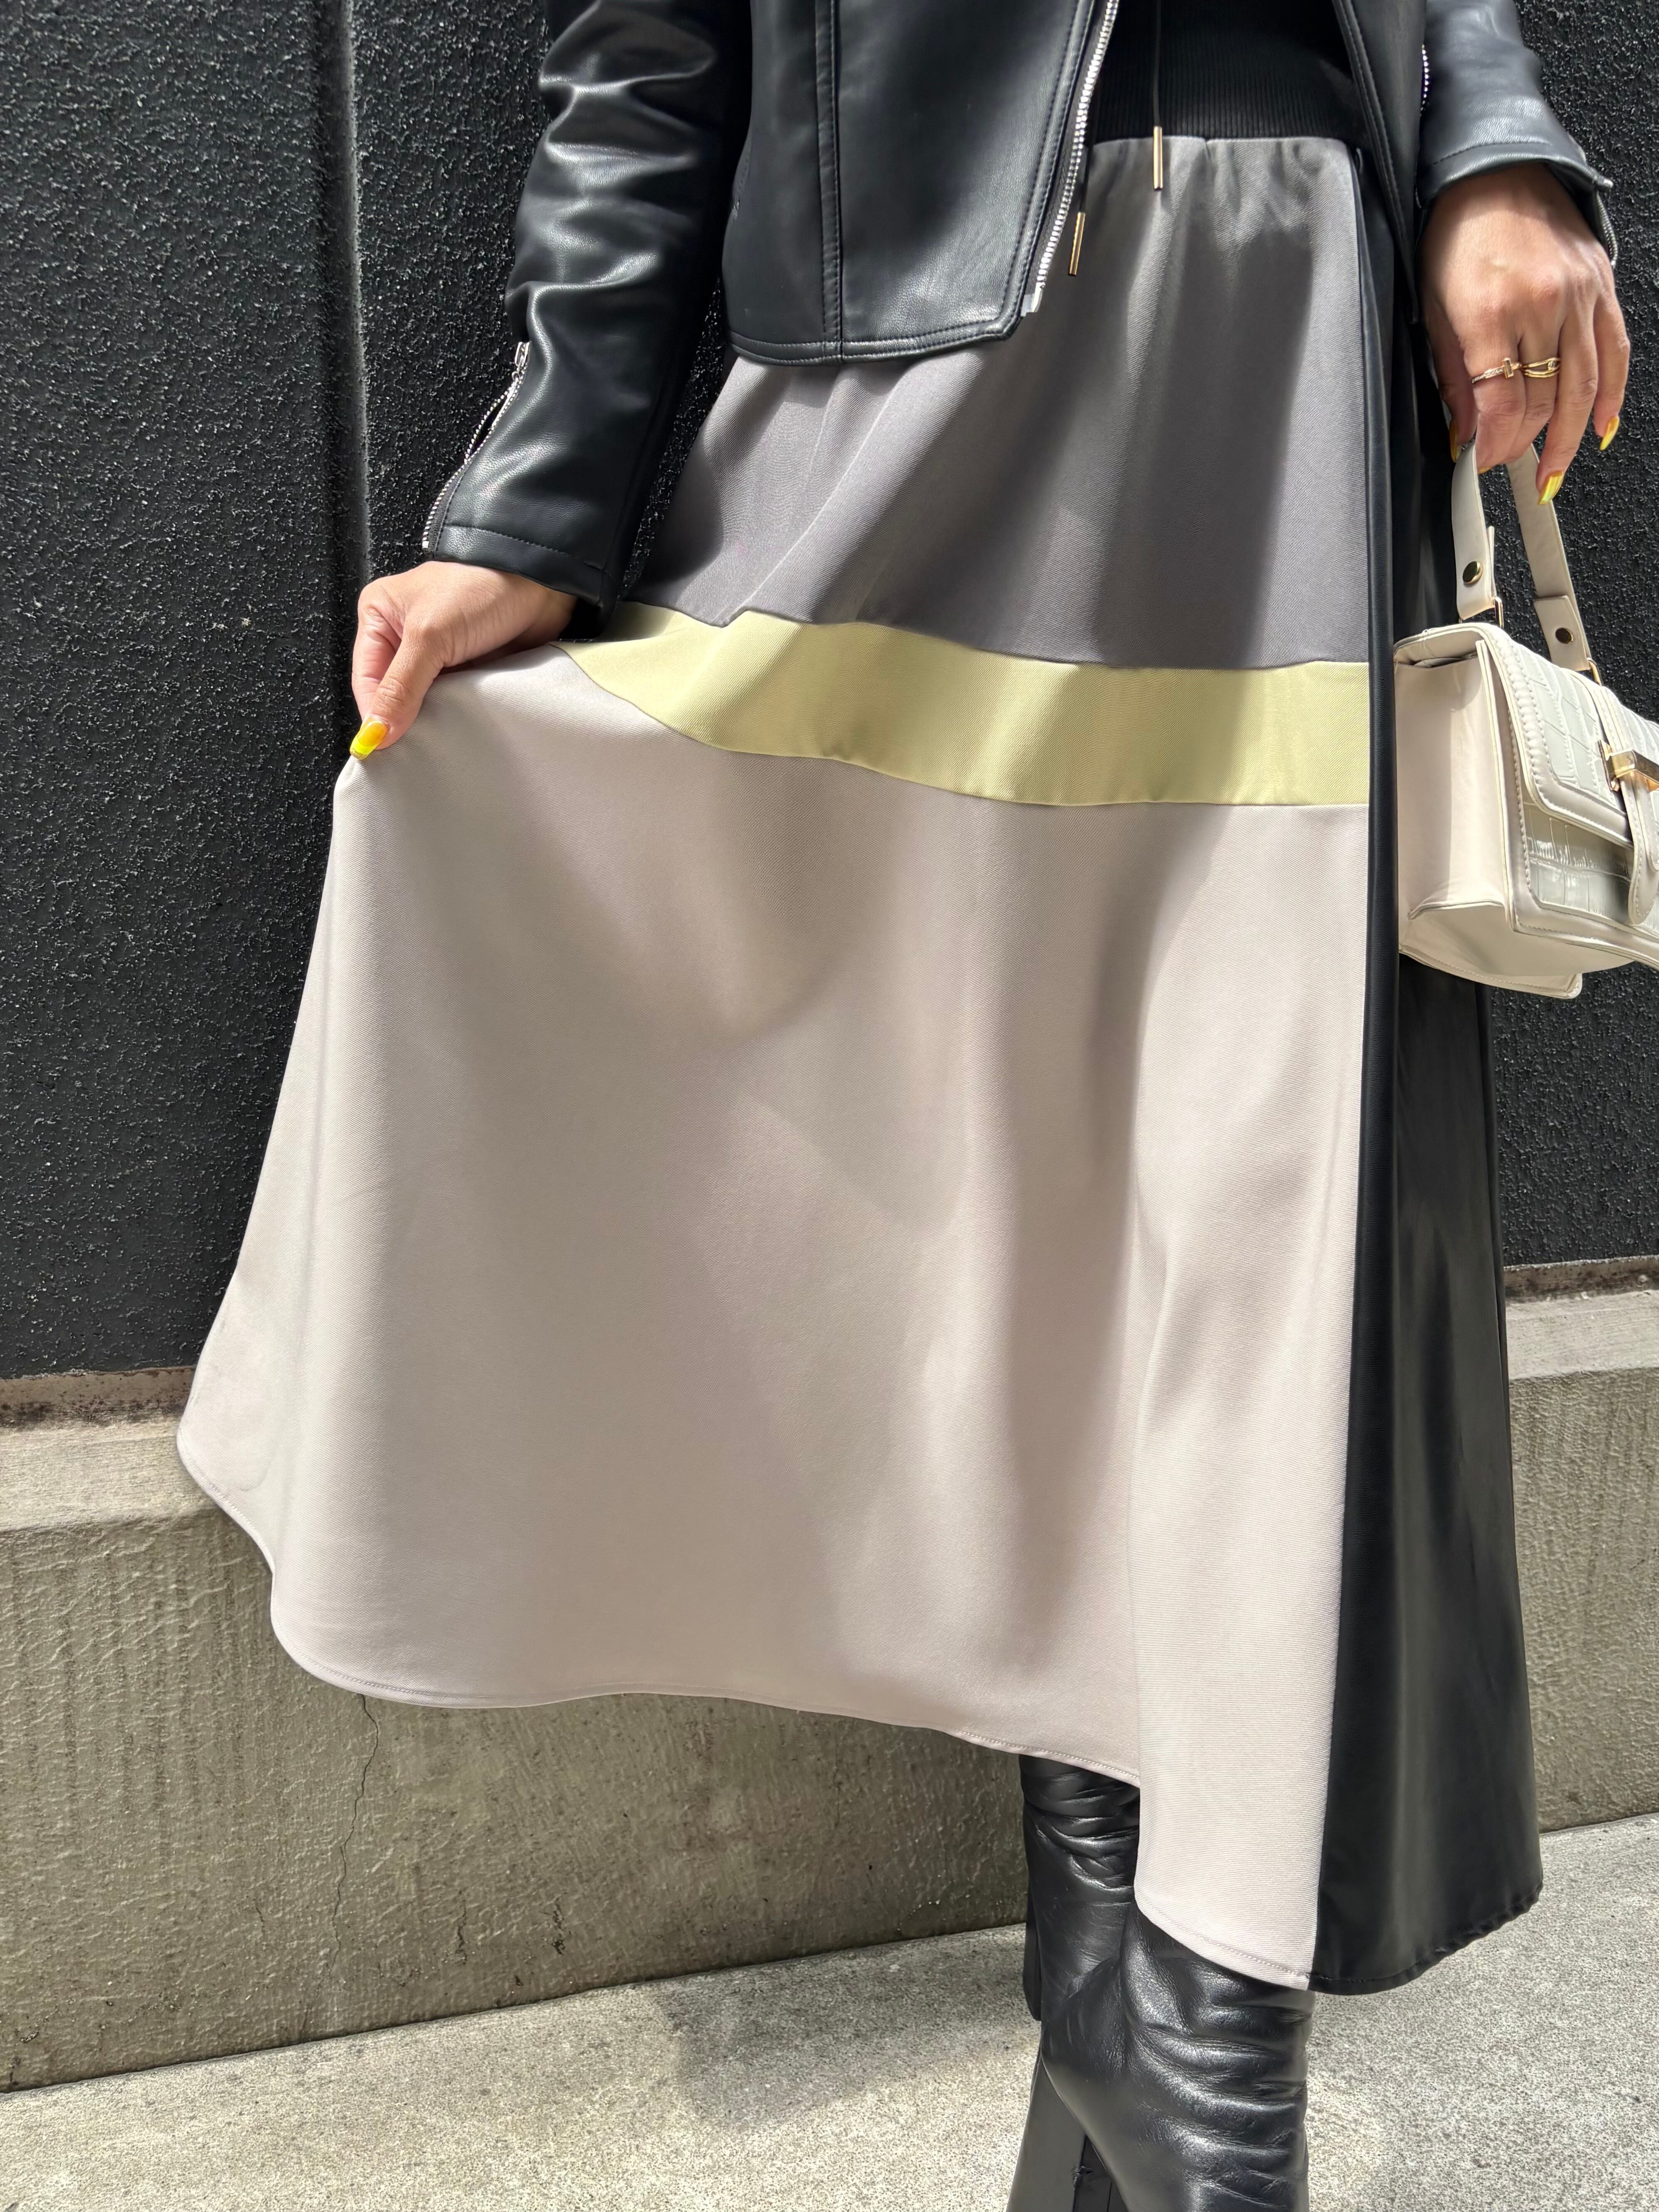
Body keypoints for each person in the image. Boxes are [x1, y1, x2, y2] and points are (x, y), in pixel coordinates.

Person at [178, 1, 1630, 2204]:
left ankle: (1192, 2046)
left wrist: (1494, 147)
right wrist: (540, 501)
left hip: (1289, 338)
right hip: (908, 383)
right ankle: (1135, 2034)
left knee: (1250, 1212)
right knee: (1006, 1188)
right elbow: (649, 58)